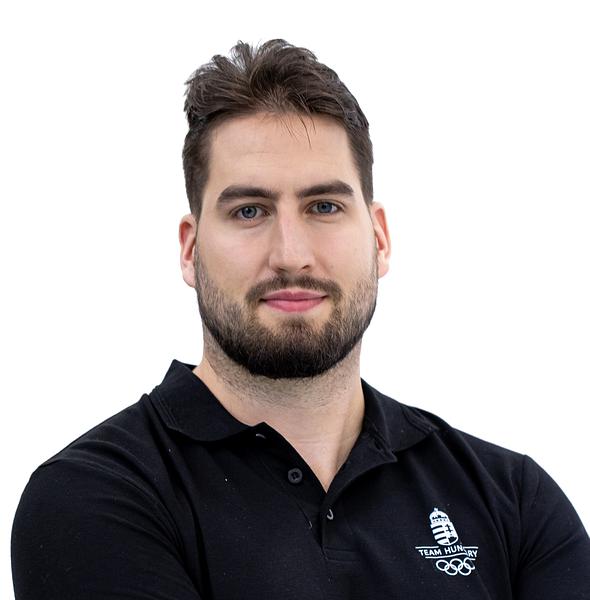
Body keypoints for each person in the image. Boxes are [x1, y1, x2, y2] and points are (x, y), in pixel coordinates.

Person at [11, 38, 590, 600]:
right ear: (190, 249)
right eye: (249, 211)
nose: (291, 255)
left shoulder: (515, 500)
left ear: (379, 238)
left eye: (324, 207)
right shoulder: (95, 496)